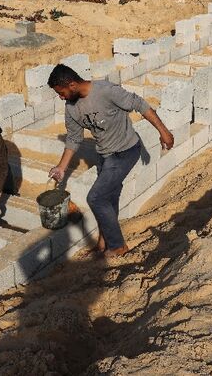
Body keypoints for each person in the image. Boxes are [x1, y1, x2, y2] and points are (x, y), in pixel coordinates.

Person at [47, 64, 175, 258]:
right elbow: (74, 138)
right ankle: (103, 242)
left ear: (72, 85)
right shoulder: (71, 107)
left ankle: (118, 246)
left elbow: (140, 104)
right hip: (104, 154)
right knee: (108, 199)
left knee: (96, 198)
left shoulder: (105, 91)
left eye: (61, 92)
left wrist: (164, 132)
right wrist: (61, 168)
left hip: (125, 151)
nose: (61, 97)